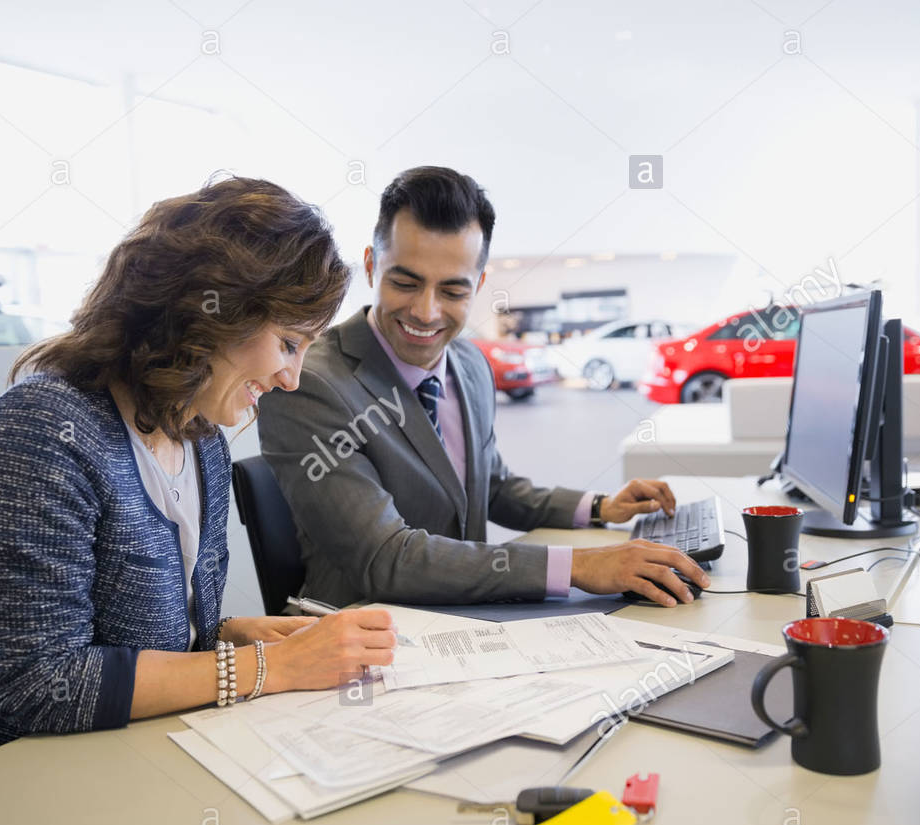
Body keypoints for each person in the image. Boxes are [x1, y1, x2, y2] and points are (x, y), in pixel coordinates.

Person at [0, 176, 396, 791]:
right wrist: (271, 668)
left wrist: (226, 636)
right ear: (210, 312)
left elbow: (141, 637)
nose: (292, 378)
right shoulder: (41, 432)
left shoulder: (198, 436)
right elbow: (40, 685)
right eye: (288, 343)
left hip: (121, 772)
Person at [257, 166, 709, 609]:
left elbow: (491, 487)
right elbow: (386, 558)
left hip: (469, 621)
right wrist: (576, 566)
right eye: (405, 282)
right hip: (363, 637)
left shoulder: (470, 364)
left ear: (480, 285)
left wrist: (601, 506)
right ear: (372, 267)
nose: (426, 311)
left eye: (453, 291)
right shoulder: (310, 384)